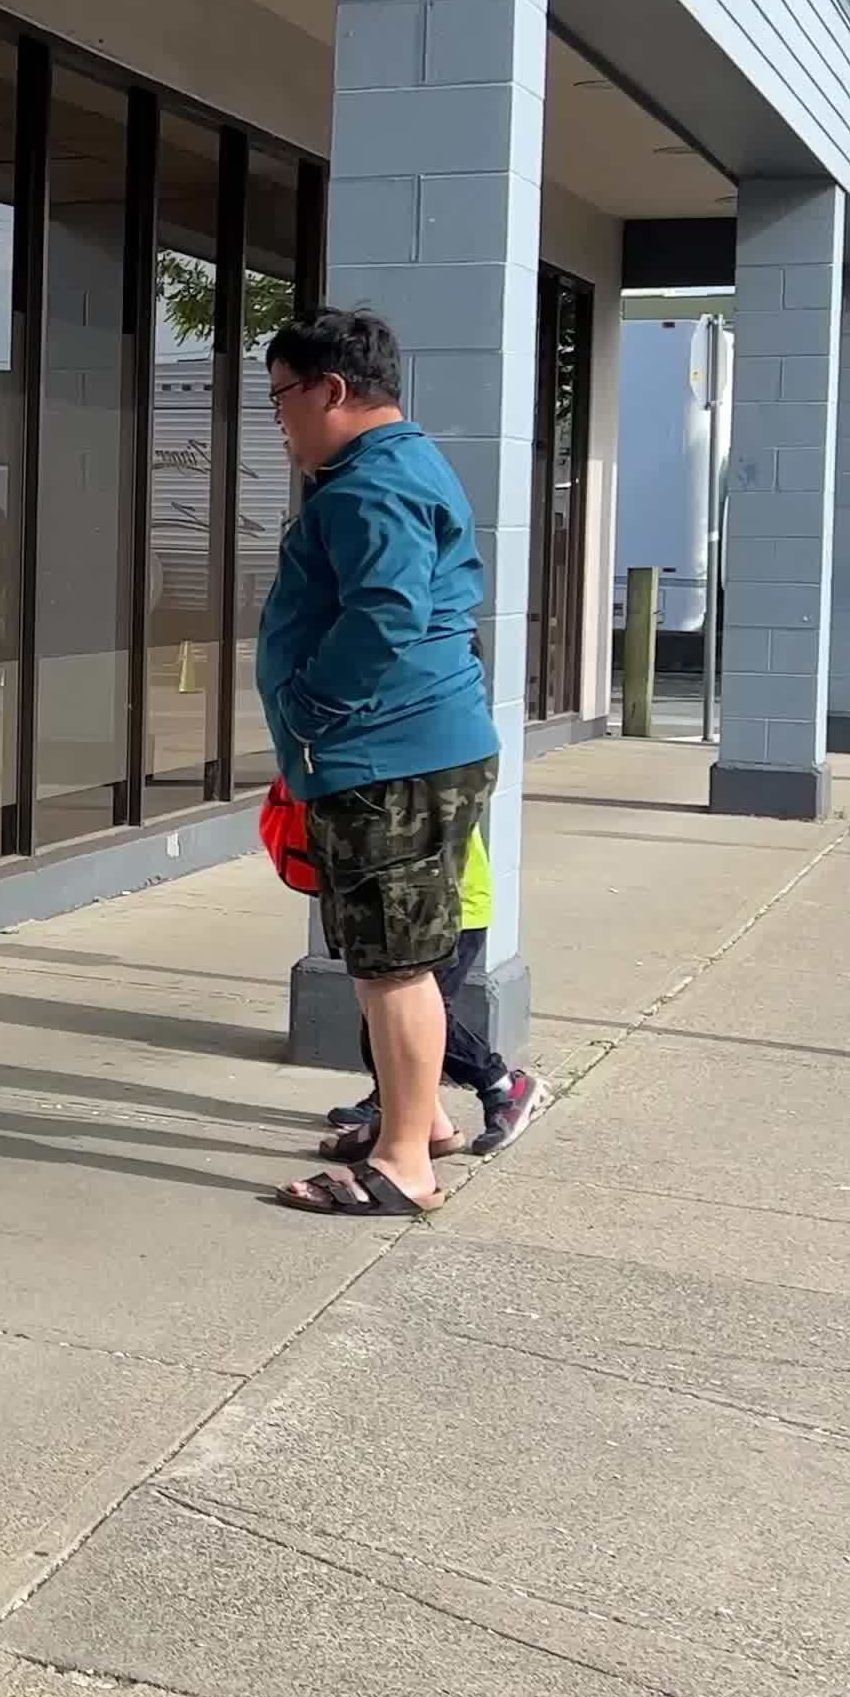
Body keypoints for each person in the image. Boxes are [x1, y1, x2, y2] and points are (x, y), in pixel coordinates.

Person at [252, 308, 500, 1218]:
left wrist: (310, 708)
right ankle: (420, 1117)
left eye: (283, 396)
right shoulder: (404, 465)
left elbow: (385, 614)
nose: (279, 419)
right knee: (404, 955)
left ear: (333, 390)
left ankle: (403, 1164)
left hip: (384, 756)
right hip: (417, 747)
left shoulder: (367, 488)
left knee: (390, 963)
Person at [311, 812, 547, 1160]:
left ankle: (503, 1086)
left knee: (413, 1014)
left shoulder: (424, 775)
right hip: (407, 908)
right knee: (384, 1014)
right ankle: (400, 1108)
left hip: (448, 911)